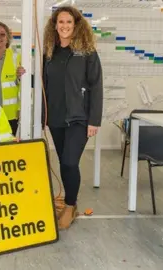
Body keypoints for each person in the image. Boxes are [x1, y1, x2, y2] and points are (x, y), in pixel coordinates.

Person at [42, 5, 103, 230]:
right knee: (64, 163)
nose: (64, 26)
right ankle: (70, 203)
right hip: (56, 117)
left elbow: (97, 87)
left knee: (69, 161)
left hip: (79, 118)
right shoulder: (49, 52)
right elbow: (43, 85)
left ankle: (70, 205)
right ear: (55, 25)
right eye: (61, 22)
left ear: (76, 25)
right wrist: (42, 118)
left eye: (69, 22)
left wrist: (94, 120)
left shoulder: (87, 52)